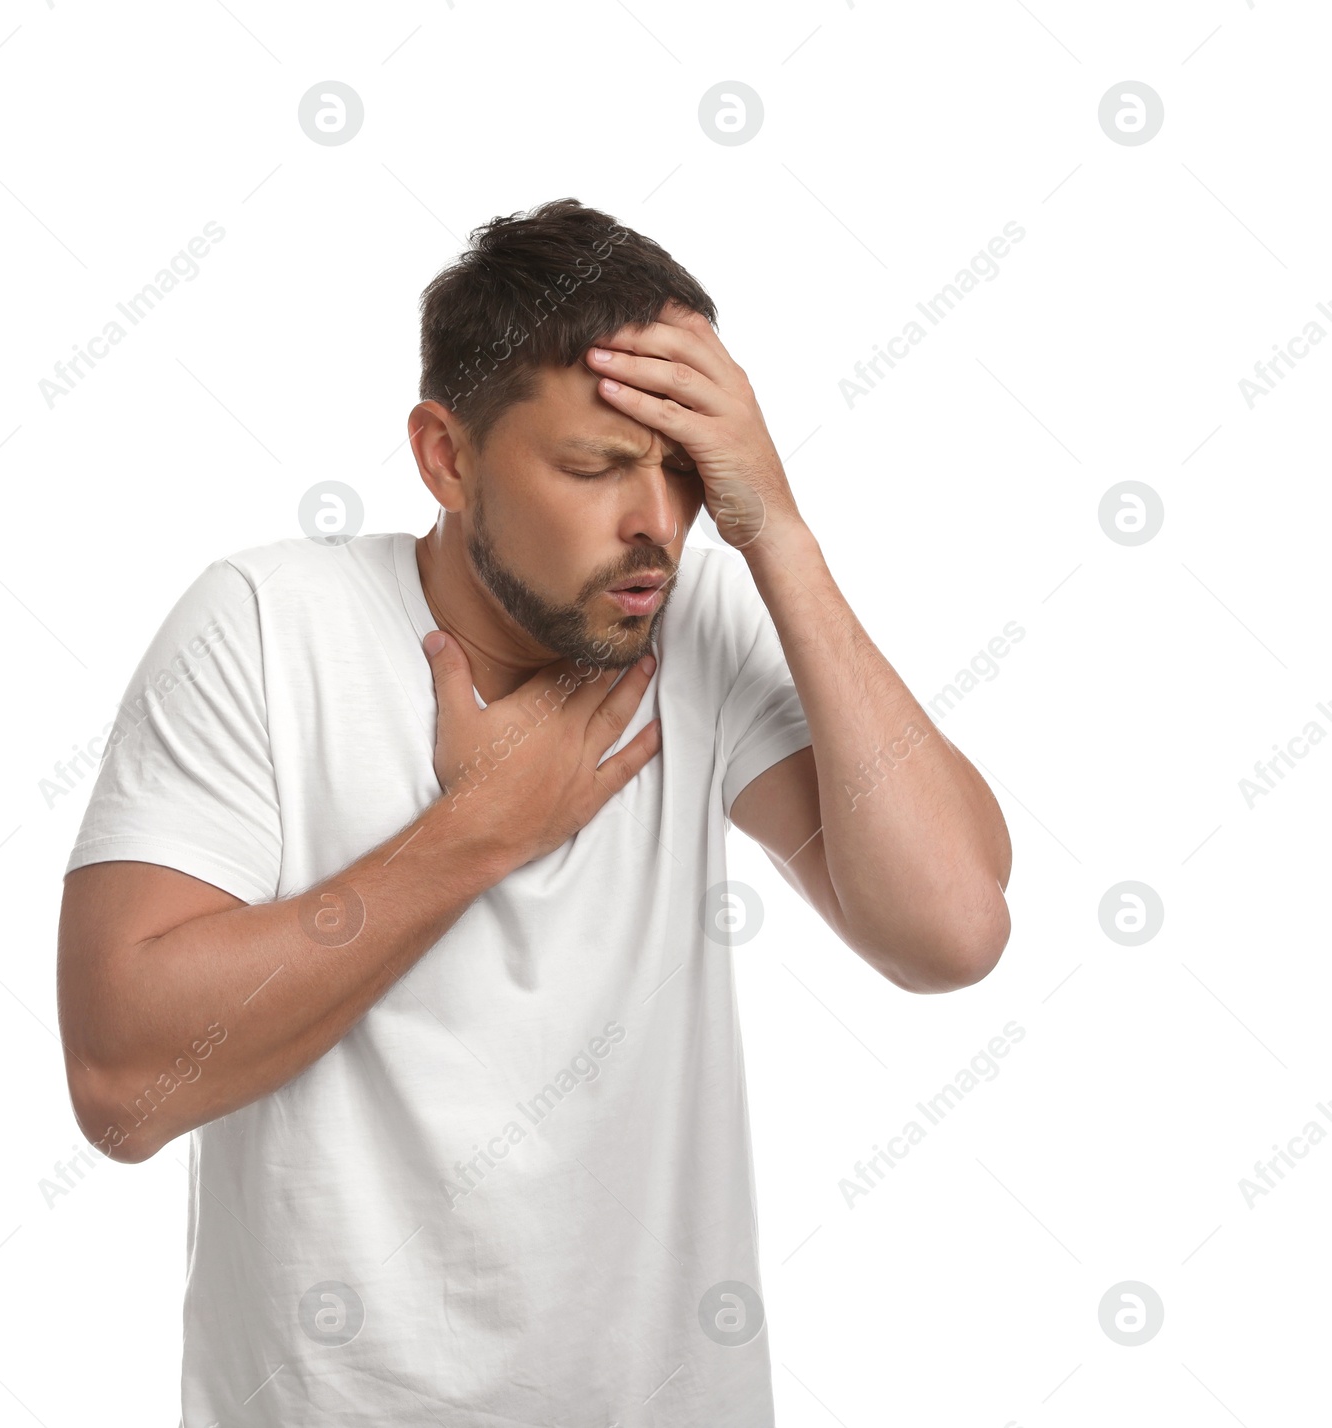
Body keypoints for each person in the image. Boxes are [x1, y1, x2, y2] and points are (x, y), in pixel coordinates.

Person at [56, 197, 1012, 1426]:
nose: (655, 526)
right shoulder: (265, 623)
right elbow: (123, 1081)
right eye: (594, 468)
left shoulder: (698, 620)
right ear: (446, 458)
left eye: (684, 474)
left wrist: (773, 527)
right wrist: (484, 830)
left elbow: (953, 928)